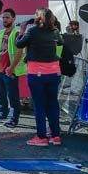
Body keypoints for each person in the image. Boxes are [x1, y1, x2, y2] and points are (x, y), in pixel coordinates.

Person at [15, 8, 63, 147]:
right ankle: (56, 136)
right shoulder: (54, 31)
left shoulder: (32, 31)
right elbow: (60, 42)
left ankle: (41, 137)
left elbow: (19, 43)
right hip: (54, 72)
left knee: (39, 105)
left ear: (38, 18)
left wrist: (22, 29)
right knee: (53, 104)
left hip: (37, 72)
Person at [0, 8, 25, 128]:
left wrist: (12, 67)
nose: (5, 20)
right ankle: (1, 113)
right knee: (0, 93)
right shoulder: (1, 32)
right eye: (3, 18)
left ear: (14, 19)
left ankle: (14, 118)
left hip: (10, 70)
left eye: (7, 17)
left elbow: (20, 52)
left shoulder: (16, 33)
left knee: (13, 95)